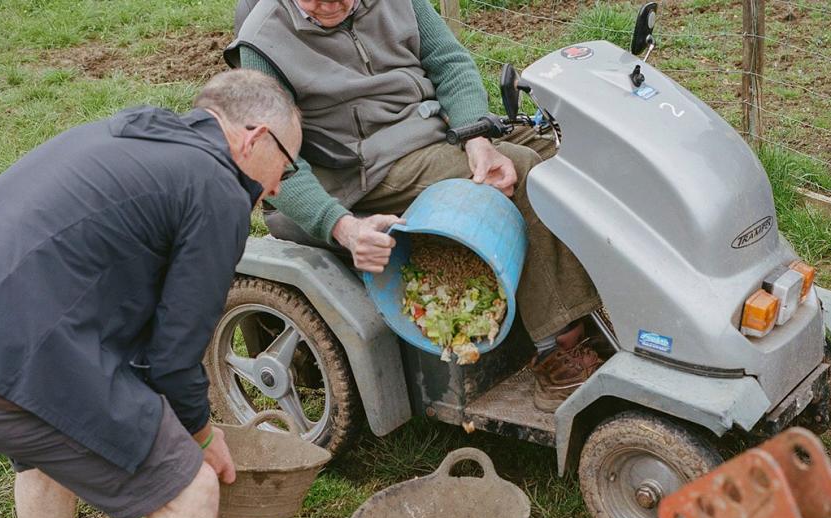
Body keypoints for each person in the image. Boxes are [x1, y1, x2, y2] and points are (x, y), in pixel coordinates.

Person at [0, 69, 301, 518]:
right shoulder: (217, 187)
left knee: (49, 446)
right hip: (8, 354)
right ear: (254, 137)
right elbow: (175, 357)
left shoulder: (131, 134)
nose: (278, 187)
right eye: (287, 164)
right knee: (188, 488)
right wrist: (203, 438)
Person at [228, 0, 603, 411]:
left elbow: (450, 62)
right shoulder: (263, 40)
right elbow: (271, 161)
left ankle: (604, 305)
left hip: (435, 131)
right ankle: (558, 351)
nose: (332, 4)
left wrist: (477, 135)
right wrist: (341, 225)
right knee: (524, 172)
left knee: (566, 156)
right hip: (362, 170)